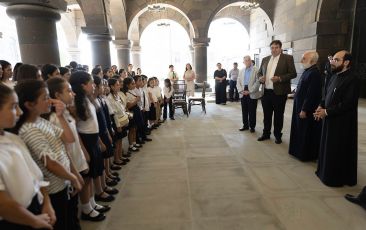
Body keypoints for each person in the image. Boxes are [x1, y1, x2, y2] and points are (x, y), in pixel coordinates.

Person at [15, 80, 82, 229]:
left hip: (63, 183)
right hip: (54, 189)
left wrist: (60, 115)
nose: (50, 101)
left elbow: (68, 139)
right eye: (45, 98)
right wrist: (72, 177)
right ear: (29, 104)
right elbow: (50, 163)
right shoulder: (29, 129)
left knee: (71, 221)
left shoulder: (40, 121)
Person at [0, 83, 55, 230]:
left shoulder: (13, 138)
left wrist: (47, 203)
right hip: (16, 219)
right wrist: (34, 221)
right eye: (13, 107)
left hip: (36, 206)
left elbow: (36, 175)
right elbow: (3, 205)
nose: (19, 112)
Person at [314, 50, 360, 187]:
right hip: (329, 118)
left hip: (342, 122)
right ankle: (323, 172)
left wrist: (326, 112)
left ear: (346, 62)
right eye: (333, 59)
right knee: (326, 147)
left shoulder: (352, 79)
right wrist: (320, 106)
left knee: (336, 150)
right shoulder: (334, 76)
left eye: (336, 60)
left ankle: (333, 178)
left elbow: (348, 103)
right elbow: (326, 93)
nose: (332, 62)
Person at [69, 71, 109, 221]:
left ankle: (92, 203)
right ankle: (86, 209)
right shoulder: (75, 103)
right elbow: (75, 129)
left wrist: (98, 140)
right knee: (86, 178)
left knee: (93, 174)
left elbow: (94, 123)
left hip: (93, 138)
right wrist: (83, 149)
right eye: (90, 82)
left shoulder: (89, 99)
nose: (93, 85)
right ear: (82, 85)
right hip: (85, 140)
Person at [257, 40, 297, 144]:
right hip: (266, 92)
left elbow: (293, 74)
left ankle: (278, 135)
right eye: (272, 48)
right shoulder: (265, 59)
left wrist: (279, 78)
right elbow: (259, 72)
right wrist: (260, 78)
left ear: (280, 48)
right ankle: (266, 133)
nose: (274, 50)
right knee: (266, 115)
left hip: (279, 93)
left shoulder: (287, 58)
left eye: (276, 47)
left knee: (279, 115)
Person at [288, 51, 322, 161]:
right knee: (298, 129)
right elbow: (302, 87)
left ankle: (305, 154)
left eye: (304, 59)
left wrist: (304, 109)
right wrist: (295, 94)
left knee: (305, 131)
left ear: (312, 61)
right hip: (299, 105)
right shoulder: (307, 71)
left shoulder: (315, 73)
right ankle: (296, 151)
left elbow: (311, 94)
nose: (301, 61)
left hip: (306, 109)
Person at [237, 56, 262, 133]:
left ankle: (252, 126)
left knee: (252, 111)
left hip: (252, 92)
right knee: (244, 110)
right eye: (245, 61)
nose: (247, 62)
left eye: (248, 60)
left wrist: (250, 91)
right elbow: (238, 81)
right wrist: (241, 90)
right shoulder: (241, 70)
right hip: (243, 91)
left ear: (251, 61)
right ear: (243, 62)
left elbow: (258, 82)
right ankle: (245, 125)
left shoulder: (256, 70)